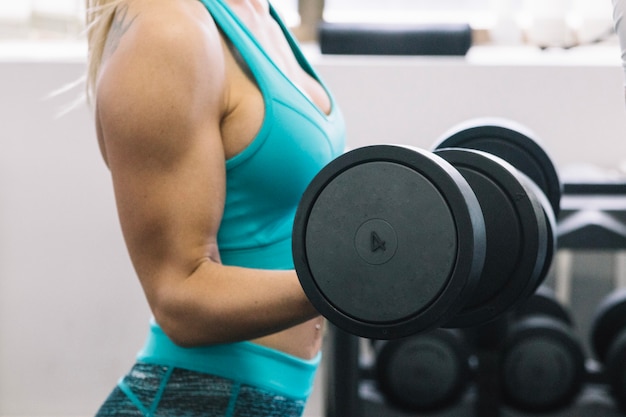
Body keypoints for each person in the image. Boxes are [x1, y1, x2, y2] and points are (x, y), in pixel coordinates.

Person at [85, 0, 346, 415]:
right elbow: (180, 298)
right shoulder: (169, 33)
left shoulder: (257, 11)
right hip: (196, 401)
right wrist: (357, 284)